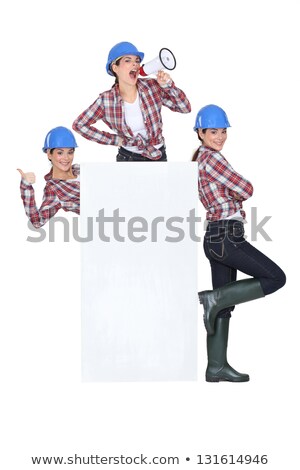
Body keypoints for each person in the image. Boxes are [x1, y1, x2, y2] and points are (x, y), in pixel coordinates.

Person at [192, 104, 286, 383]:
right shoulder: (213, 159)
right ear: (200, 132)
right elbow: (246, 189)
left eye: (223, 131)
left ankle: (216, 366)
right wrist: (237, 195)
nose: (220, 137)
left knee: (223, 307)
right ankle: (212, 298)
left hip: (216, 237)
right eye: (213, 131)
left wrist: (232, 194)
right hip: (226, 236)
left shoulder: (200, 159)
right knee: (276, 277)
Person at [72, 41, 191, 161]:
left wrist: (167, 85)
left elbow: (185, 108)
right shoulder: (106, 100)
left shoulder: (152, 87)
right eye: (128, 60)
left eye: (137, 61)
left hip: (158, 155)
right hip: (128, 158)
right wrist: (115, 140)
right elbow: (79, 125)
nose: (135, 64)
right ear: (115, 67)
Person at [18, 126, 80, 228]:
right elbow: (37, 222)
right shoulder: (53, 190)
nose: (66, 158)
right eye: (60, 153)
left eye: (70, 152)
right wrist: (26, 187)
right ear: (49, 154)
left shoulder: (79, 168)